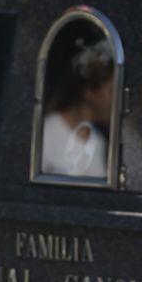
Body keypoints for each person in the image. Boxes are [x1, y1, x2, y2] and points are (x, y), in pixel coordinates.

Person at [39, 33, 117, 181]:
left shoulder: (99, 142)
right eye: (111, 91)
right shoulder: (48, 132)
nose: (115, 100)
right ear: (90, 91)